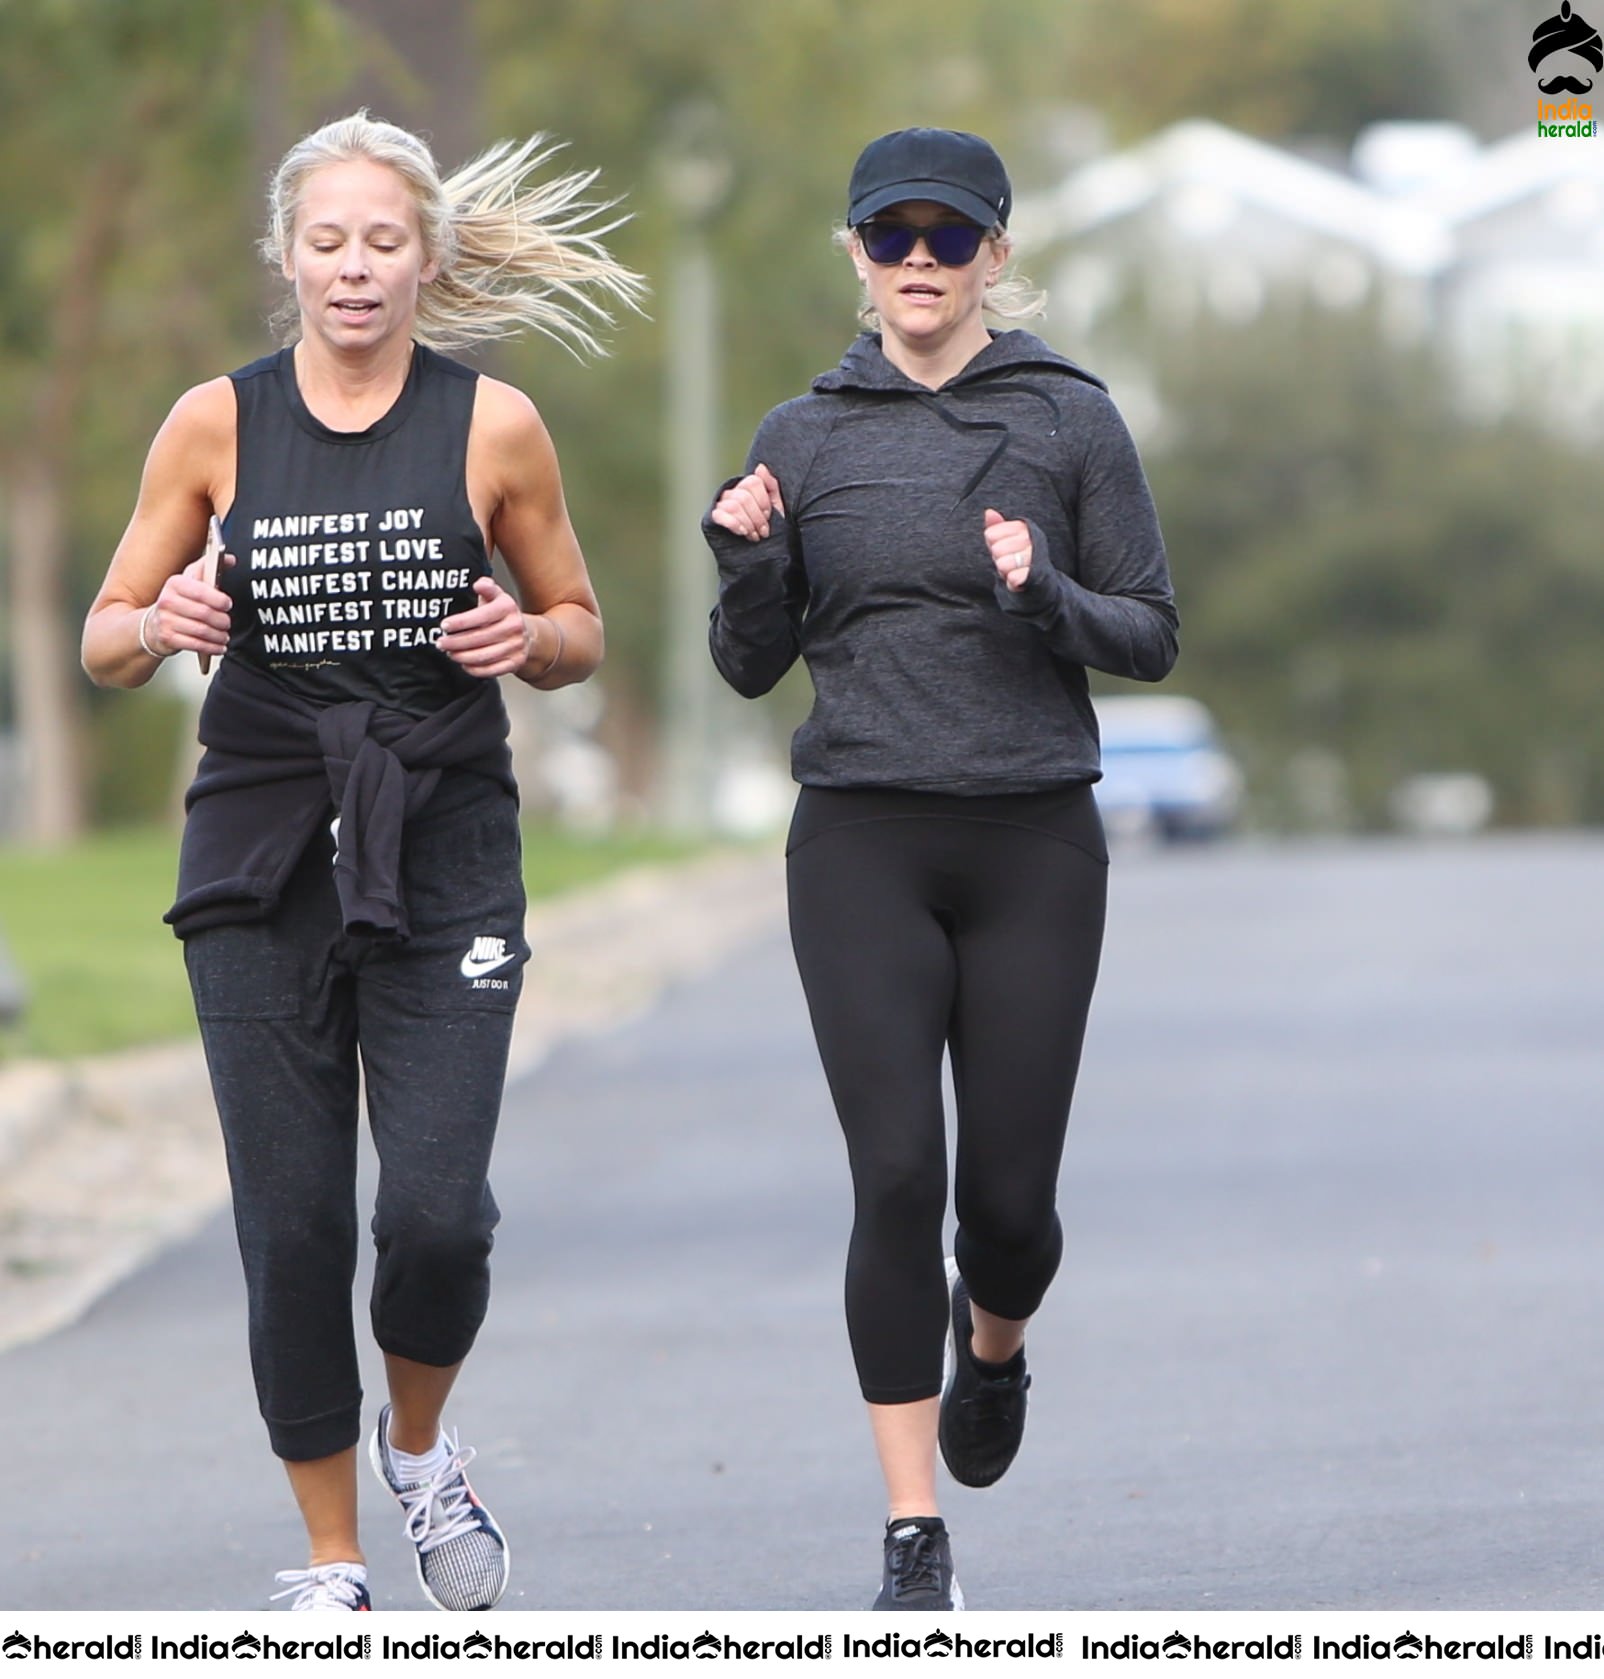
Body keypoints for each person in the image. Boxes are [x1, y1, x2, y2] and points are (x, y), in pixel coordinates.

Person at [82, 111, 642, 1612]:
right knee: (294, 1225)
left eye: (383, 240)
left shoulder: (494, 426)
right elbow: (104, 635)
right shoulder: (215, 423)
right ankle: (332, 1561)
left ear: (428, 258)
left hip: (445, 842)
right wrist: (161, 628)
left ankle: (419, 1449)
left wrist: (529, 641)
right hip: (262, 850)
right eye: (326, 241)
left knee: (437, 1214)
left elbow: (581, 625)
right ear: (286, 258)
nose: (353, 266)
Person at [704, 128, 1178, 1610]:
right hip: (861, 835)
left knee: (1010, 1213)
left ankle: (998, 1342)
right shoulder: (801, 433)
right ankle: (914, 1531)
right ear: (854, 253)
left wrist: (1047, 596)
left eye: (949, 238)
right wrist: (746, 564)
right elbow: (748, 667)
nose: (920, 262)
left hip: (1031, 829)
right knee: (897, 1172)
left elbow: (1152, 634)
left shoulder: (1071, 420)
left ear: (997, 252)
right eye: (891, 237)